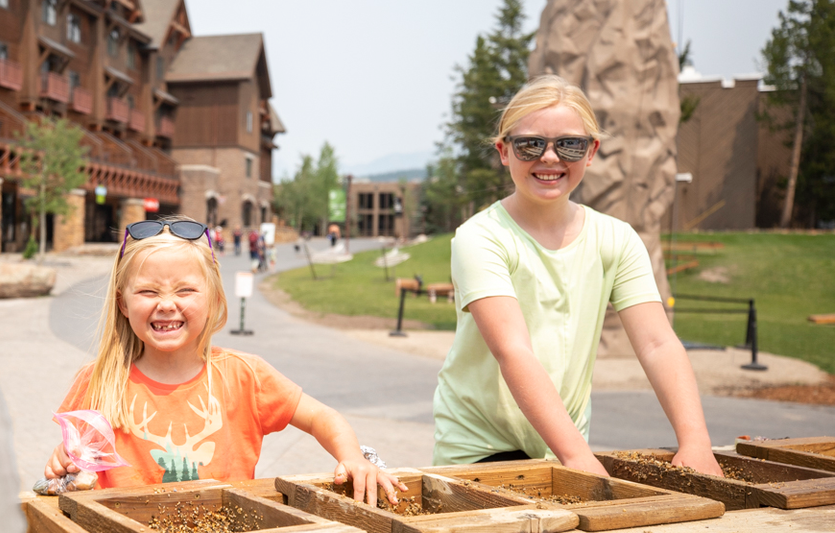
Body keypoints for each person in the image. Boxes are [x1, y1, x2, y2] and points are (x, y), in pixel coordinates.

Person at [432, 75, 724, 477]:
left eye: (569, 144)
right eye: (530, 144)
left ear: (591, 152)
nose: (549, 158)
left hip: (563, 447)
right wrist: (578, 457)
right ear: (504, 151)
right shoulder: (480, 238)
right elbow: (512, 351)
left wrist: (695, 442)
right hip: (480, 446)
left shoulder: (616, 239)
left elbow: (658, 344)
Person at [43, 216, 404, 504]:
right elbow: (73, 467)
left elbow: (323, 417)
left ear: (214, 298)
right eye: (148, 291)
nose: (166, 303)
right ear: (123, 303)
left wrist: (354, 458)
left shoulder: (245, 375)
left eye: (184, 290)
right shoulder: (98, 381)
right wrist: (65, 466)